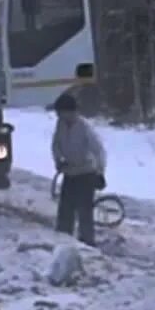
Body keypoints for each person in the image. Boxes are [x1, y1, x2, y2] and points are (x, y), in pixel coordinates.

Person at [51, 92, 107, 246]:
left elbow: (99, 151)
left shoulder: (84, 127)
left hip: (86, 173)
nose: (59, 116)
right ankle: (63, 241)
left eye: (61, 112)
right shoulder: (60, 125)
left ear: (70, 111)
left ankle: (88, 243)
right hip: (70, 173)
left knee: (84, 211)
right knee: (65, 210)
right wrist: (59, 161)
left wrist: (100, 173)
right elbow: (55, 145)